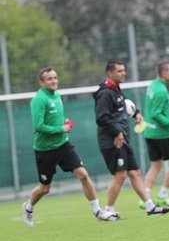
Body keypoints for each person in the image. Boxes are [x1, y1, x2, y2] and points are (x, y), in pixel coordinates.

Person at [22, 67, 118, 227]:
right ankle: (28, 208)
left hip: (63, 145)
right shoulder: (39, 99)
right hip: (45, 150)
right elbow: (38, 125)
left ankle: (98, 212)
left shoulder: (57, 95)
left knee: (83, 175)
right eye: (49, 79)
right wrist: (61, 128)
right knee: (45, 188)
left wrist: (65, 121)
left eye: (55, 77)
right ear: (41, 82)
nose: (54, 81)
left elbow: (55, 117)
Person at [94, 60, 169, 216]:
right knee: (120, 174)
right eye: (120, 71)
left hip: (123, 139)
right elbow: (102, 118)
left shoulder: (116, 90)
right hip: (113, 140)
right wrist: (117, 133)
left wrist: (136, 113)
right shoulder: (105, 93)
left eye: (124, 70)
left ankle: (151, 207)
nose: (124, 73)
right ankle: (108, 211)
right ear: (110, 73)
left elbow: (123, 107)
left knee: (135, 173)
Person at [138, 61, 169, 210]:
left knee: (156, 165)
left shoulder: (153, 85)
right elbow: (156, 114)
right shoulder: (161, 91)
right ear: (164, 73)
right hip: (162, 134)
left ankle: (144, 198)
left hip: (149, 132)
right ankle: (162, 196)